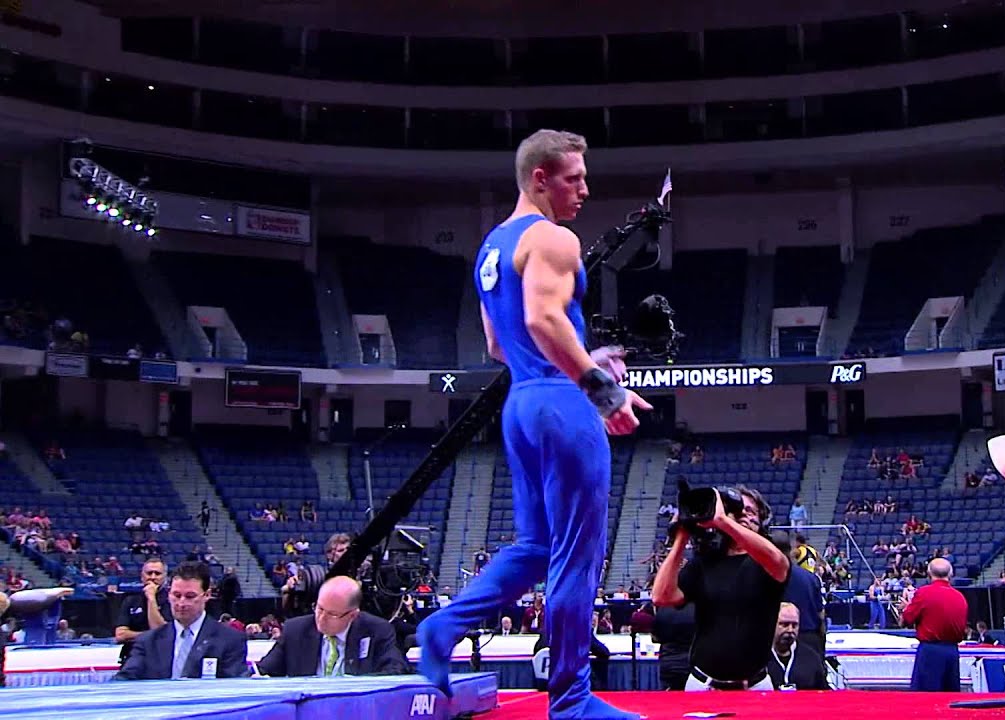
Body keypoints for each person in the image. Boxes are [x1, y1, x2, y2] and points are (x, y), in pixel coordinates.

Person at [416, 129, 650, 720]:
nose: (585, 190)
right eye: (575, 178)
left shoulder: (492, 248)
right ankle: (571, 700)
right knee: (576, 555)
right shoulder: (552, 237)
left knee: (537, 545)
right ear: (540, 178)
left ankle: (445, 624)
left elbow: (500, 343)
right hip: (561, 405)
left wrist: (583, 360)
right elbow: (545, 319)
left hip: (521, 402)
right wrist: (603, 392)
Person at [652, 486, 790, 691]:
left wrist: (723, 521)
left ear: (761, 521)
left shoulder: (768, 560)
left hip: (755, 685)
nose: (743, 515)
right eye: (736, 510)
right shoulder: (705, 563)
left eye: (750, 511)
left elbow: (778, 562)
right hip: (703, 683)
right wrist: (682, 536)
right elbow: (661, 596)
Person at [114, 562, 248, 680]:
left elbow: (233, 687)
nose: (181, 603)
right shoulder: (148, 641)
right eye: (176, 595)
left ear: (206, 595)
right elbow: (124, 680)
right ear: (169, 594)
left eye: (190, 596)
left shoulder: (230, 640)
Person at [257, 576, 407, 677]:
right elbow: (264, 672)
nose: (321, 619)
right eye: (319, 608)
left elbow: (395, 671)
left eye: (332, 614)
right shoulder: (295, 630)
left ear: (352, 615)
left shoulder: (377, 630)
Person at [900, 558, 967, 692]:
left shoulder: (924, 593)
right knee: (950, 696)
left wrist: (906, 609)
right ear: (950, 573)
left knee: (926, 697)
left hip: (930, 651)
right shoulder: (960, 597)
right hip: (952, 652)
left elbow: (906, 620)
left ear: (929, 573)